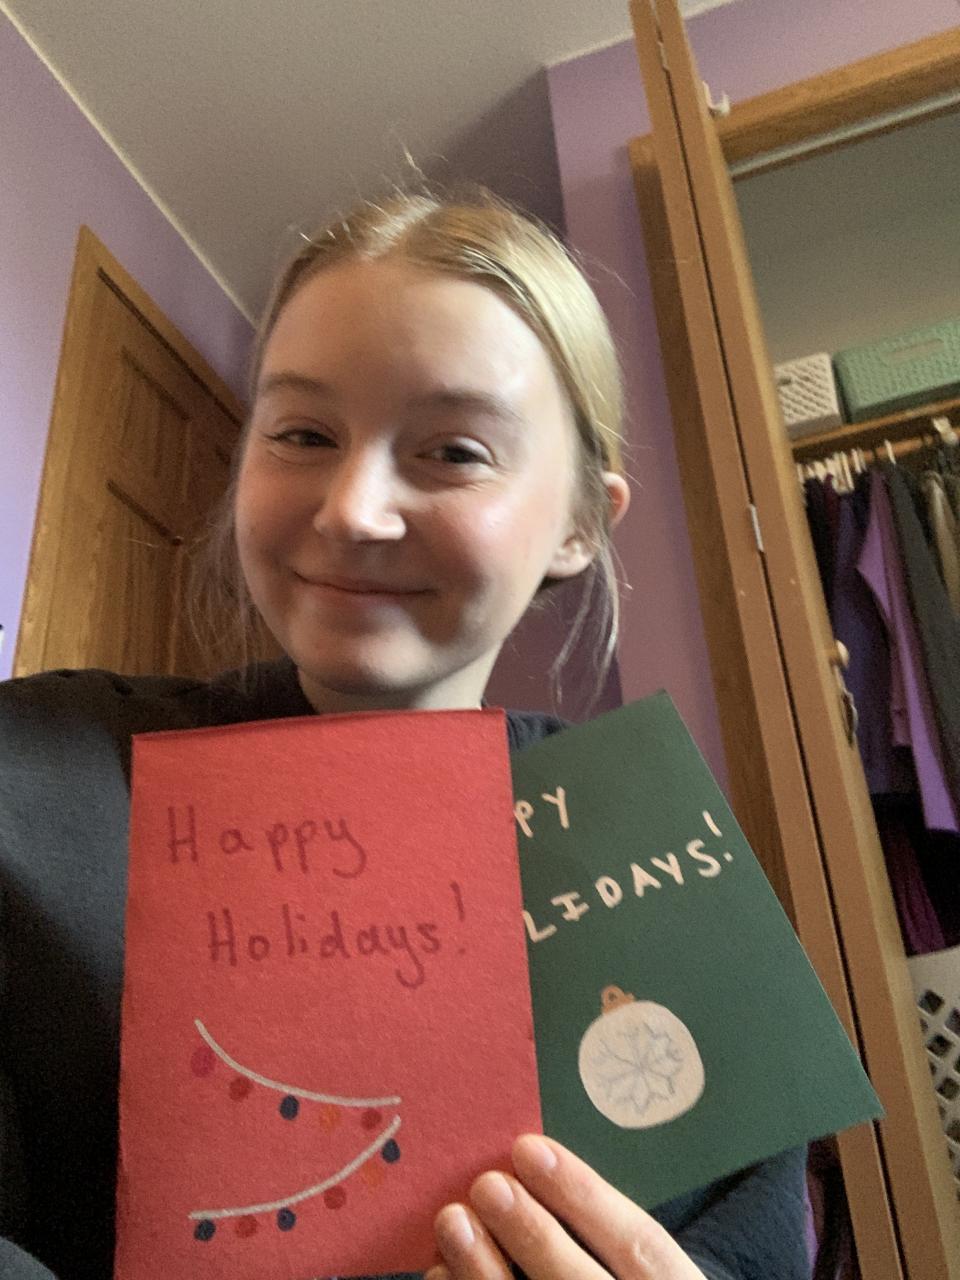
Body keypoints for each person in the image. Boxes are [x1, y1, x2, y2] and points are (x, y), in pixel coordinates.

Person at [0, 190, 809, 1280]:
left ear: (579, 523)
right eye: (302, 433)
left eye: (454, 450)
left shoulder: (661, 866)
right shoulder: (34, 776)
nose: (351, 508)